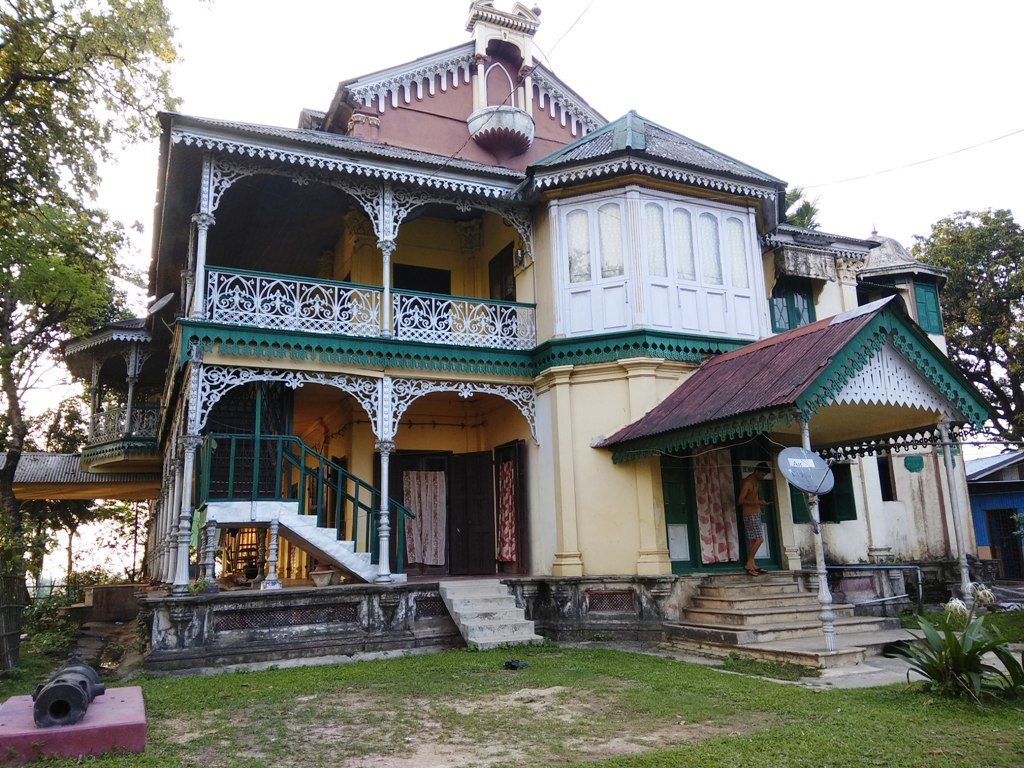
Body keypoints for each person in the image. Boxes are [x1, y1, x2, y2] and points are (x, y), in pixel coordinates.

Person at [737, 462, 771, 576]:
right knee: (759, 539)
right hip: (749, 514)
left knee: (753, 540)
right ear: (756, 472)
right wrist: (757, 502)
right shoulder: (748, 482)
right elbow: (740, 500)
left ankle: (752, 565)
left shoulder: (756, 481)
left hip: (755, 512)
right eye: (762, 474)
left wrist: (760, 503)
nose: (763, 477)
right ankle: (749, 563)